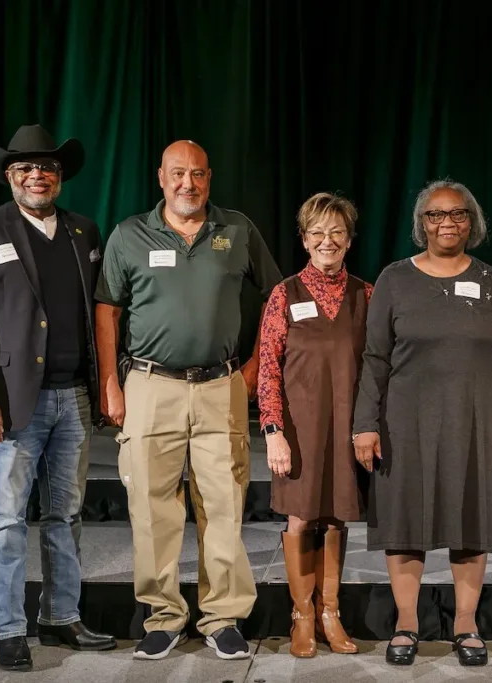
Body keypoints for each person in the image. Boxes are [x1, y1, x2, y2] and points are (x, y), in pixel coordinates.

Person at [94, 140, 282, 661]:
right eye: (178, 173)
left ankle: (222, 617)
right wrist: (110, 382)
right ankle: (163, 616)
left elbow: (277, 296)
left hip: (221, 386)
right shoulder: (130, 234)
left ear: (209, 178)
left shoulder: (236, 229)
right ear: (161, 177)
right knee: (152, 507)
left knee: (223, 503)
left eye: (197, 174)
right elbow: (107, 309)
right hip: (150, 385)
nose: (187, 184)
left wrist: (254, 366)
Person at [0, 124, 116, 671]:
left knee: (66, 515)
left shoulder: (84, 231)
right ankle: (10, 629)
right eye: (25, 168)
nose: (37, 175)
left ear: (59, 176)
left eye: (47, 167)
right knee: (7, 519)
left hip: (75, 399)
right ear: (9, 176)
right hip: (13, 403)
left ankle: (61, 616)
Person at [351, 179, 492, 668]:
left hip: (475, 423)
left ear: (473, 222)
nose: (447, 222)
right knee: (405, 523)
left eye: (458, 214)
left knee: (470, 522)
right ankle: (406, 624)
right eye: (436, 214)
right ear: (421, 223)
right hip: (404, 424)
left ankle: (466, 626)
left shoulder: (491, 280)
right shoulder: (394, 279)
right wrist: (365, 423)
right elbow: (375, 357)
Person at [256, 192, 372, 658]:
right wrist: (273, 433)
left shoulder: (366, 295)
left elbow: (379, 368)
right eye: (318, 232)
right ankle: (302, 616)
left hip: (346, 427)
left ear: (349, 240)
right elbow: (267, 369)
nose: (328, 241)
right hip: (299, 431)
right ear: (304, 240)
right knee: (301, 517)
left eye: (337, 232)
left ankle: (330, 613)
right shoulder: (284, 294)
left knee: (337, 515)